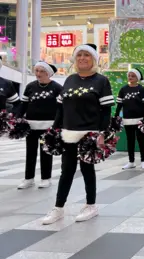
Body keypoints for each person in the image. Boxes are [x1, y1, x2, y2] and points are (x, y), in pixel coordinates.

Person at [42, 44, 114, 225]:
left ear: (94, 59)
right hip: (68, 133)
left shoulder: (101, 81)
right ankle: (58, 208)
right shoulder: (70, 79)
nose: (82, 58)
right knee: (66, 170)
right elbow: (61, 108)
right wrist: (54, 130)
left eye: (86, 55)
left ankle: (91, 205)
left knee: (87, 169)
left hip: (89, 133)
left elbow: (106, 111)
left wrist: (102, 133)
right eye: (79, 55)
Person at [16, 62, 63, 189]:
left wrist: (58, 124)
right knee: (30, 152)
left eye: (41, 71)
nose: (38, 74)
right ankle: (29, 178)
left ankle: (46, 178)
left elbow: (61, 108)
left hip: (48, 126)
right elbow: (23, 104)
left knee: (46, 152)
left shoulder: (57, 87)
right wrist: (18, 119)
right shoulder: (30, 86)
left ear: (48, 73)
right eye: (36, 71)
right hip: (31, 126)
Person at [116, 68, 144, 170]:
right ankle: (131, 161)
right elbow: (119, 105)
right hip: (127, 120)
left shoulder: (142, 89)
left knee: (141, 140)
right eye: (129, 76)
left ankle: (143, 161)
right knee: (130, 140)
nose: (130, 78)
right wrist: (116, 116)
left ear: (138, 78)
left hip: (140, 120)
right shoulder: (123, 89)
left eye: (133, 76)